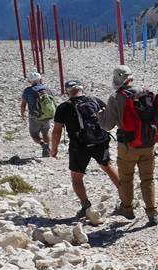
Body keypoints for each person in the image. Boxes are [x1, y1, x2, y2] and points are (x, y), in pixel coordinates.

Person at [98, 65, 158, 225]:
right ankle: (152, 213)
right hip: (148, 143)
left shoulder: (116, 97)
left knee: (126, 178)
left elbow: (107, 125)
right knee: (148, 179)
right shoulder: (147, 93)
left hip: (127, 146)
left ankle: (127, 209)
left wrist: (100, 115)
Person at [50, 80, 120, 218]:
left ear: (66, 92)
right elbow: (109, 118)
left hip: (78, 145)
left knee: (76, 177)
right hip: (100, 141)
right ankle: (126, 198)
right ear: (83, 88)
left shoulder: (64, 107)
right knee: (108, 167)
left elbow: (57, 131)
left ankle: (85, 205)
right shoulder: (95, 100)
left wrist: (54, 149)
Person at [20, 72, 54, 157]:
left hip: (34, 116)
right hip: (47, 115)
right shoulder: (47, 88)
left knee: (34, 134)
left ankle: (42, 144)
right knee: (45, 132)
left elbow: (23, 104)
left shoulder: (27, 91)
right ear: (40, 79)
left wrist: (23, 114)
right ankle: (48, 149)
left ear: (30, 81)